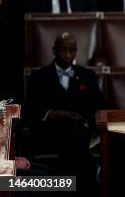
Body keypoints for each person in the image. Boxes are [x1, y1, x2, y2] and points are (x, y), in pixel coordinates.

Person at [24, 32, 104, 193]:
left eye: (72, 50)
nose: (68, 54)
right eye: (63, 50)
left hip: (82, 131)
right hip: (50, 131)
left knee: (76, 135)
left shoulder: (87, 76)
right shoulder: (39, 77)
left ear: (76, 51)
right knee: (76, 144)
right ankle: (86, 184)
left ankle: (66, 185)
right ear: (54, 51)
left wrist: (86, 120)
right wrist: (54, 113)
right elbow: (30, 110)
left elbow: (99, 106)